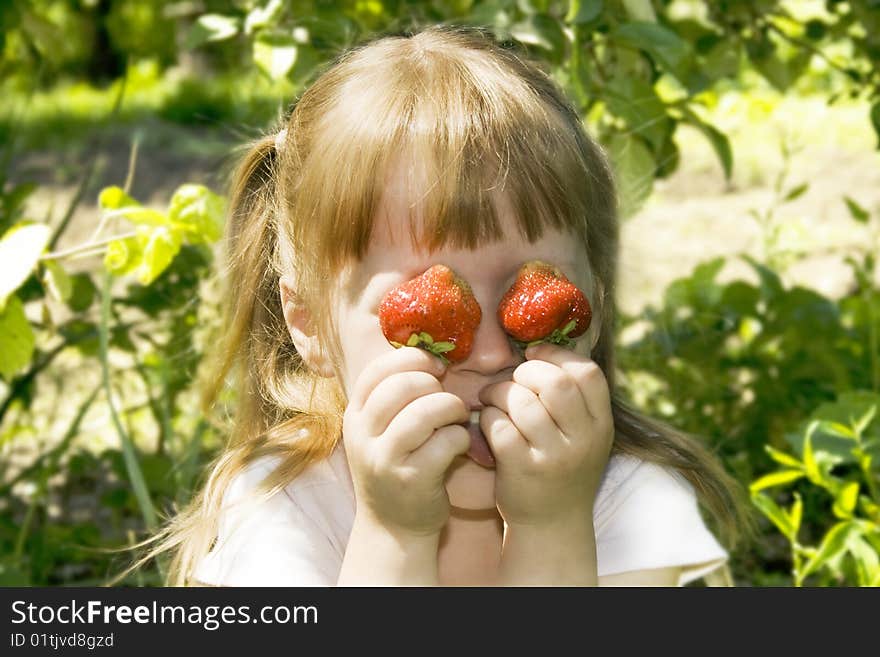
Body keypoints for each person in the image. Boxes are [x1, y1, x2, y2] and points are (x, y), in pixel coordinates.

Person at [139, 23, 753, 587]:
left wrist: (552, 528)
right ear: (309, 324)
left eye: (530, 303)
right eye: (425, 325)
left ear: (595, 305)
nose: (488, 354)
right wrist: (393, 536)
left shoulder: (629, 503)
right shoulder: (284, 504)